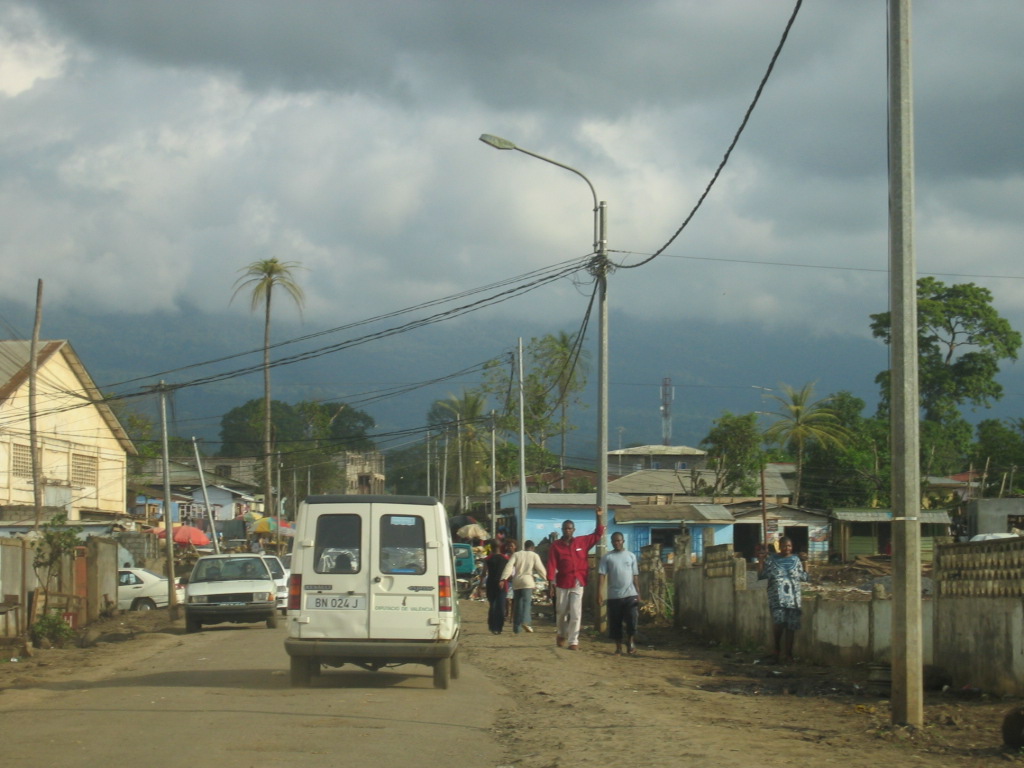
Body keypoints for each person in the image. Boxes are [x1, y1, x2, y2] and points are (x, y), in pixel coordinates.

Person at [546, 506, 605, 650]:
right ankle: (561, 633)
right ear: (562, 530)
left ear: (574, 530)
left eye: (569, 529)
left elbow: (598, 533)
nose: (567, 531)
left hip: (578, 581)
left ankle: (573, 641)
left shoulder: (581, 542)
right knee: (561, 612)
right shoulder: (556, 546)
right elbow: (552, 564)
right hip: (562, 582)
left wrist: (598, 516)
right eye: (565, 528)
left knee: (576, 612)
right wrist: (550, 582)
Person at [757, 535, 809, 663]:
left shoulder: (796, 560)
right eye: (785, 546)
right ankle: (776, 650)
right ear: (779, 547)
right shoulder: (772, 559)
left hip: (793, 599)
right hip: (777, 598)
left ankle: (789, 655)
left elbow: (805, 577)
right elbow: (761, 575)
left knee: (791, 627)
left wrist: (806, 562)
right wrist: (761, 561)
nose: (787, 548)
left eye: (789, 546)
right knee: (779, 624)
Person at [599, 531, 641, 655]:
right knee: (615, 622)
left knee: (632, 619)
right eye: (614, 541)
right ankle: (618, 646)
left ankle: (630, 642)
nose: (616, 543)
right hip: (614, 596)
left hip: (630, 594)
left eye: (619, 540)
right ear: (611, 542)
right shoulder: (607, 557)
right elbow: (602, 575)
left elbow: (635, 576)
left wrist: (638, 592)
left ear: (623, 541)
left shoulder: (631, 556)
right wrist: (600, 593)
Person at [500, 539, 548, 634]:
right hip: (527, 581)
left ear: (524, 547)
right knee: (526, 603)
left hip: (517, 581)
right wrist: (547, 579)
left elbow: (509, 567)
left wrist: (503, 578)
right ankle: (526, 622)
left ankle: (516, 628)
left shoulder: (516, 554)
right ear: (533, 548)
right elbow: (540, 569)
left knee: (517, 605)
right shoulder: (534, 555)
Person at [481, 539, 510, 634]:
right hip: (502, 584)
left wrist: (480, 585)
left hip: (491, 584)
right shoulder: (506, 559)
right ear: (500, 547)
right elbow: (509, 572)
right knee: (501, 606)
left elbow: (484, 573)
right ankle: (499, 627)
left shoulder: (487, 559)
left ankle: (492, 626)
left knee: (492, 605)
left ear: (491, 548)